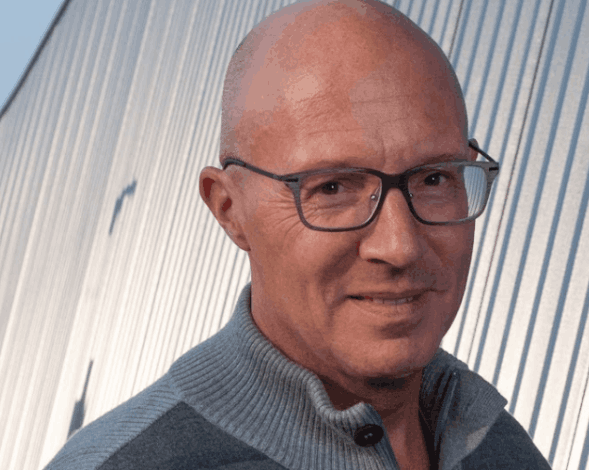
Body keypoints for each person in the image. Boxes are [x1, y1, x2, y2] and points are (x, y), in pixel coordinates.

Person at [45, 1, 551, 468]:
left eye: (435, 178)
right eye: (332, 188)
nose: (400, 245)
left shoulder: (500, 447)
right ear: (229, 209)